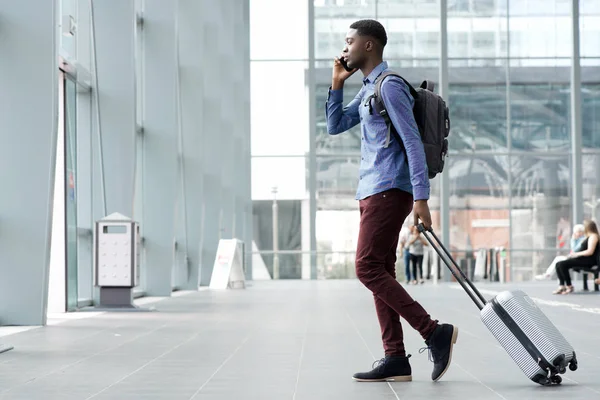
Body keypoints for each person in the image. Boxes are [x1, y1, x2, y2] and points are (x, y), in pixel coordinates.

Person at [325, 19, 457, 383]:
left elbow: (412, 142)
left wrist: (421, 198)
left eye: (349, 41)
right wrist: (337, 82)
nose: (344, 47)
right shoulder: (367, 88)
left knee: (366, 268)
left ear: (369, 46)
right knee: (380, 270)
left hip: (389, 188)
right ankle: (395, 357)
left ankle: (433, 332)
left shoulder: (390, 86)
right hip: (372, 190)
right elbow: (335, 125)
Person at [553, 220, 600, 295]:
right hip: (583, 259)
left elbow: (590, 251)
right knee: (558, 264)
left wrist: (576, 254)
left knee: (562, 264)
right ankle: (562, 286)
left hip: (588, 260)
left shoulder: (593, 237)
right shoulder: (588, 237)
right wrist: (573, 240)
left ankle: (569, 286)